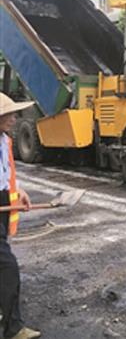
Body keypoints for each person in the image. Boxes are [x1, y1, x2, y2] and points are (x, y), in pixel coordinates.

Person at [0, 93, 40, 339]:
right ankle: (14, 328)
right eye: (10, 114)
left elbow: (5, 175)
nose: (15, 119)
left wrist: (18, 191)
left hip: (2, 202)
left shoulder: (5, 141)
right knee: (8, 266)